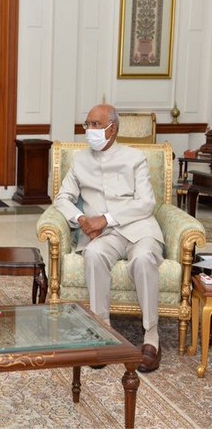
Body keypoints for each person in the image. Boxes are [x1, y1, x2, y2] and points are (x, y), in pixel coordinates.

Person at [54, 103, 164, 373]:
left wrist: (105, 218)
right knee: (93, 254)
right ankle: (102, 333)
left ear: (111, 129)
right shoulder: (79, 161)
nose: (89, 130)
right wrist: (81, 220)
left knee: (143, 260)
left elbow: (146, 203)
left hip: (139, 229)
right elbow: (62, 198)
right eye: (87, 125)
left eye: (95, 125)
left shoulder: (134, 158)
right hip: (103, 235)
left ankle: (151, 339)